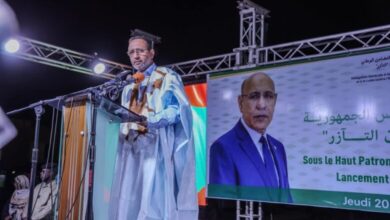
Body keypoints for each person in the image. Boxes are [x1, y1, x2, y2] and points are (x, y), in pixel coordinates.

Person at [108, 33, 198, 220]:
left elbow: (177, 110)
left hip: (155, 146)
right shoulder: (127, 86)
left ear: (151, 53)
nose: (136, 56)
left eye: (140, 51)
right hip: (129, 149)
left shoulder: (167, 76)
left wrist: (150, 120)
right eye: (132, 52)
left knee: (153, 201)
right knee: (128, 199)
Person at [209, 72, 292, 202]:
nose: (262, 105)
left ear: (275, 102)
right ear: (240, 103)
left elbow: (287, 201)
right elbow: (224, 209)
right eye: (254, 96)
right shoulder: (223, 148)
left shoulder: (279, 148)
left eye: (268, 96)